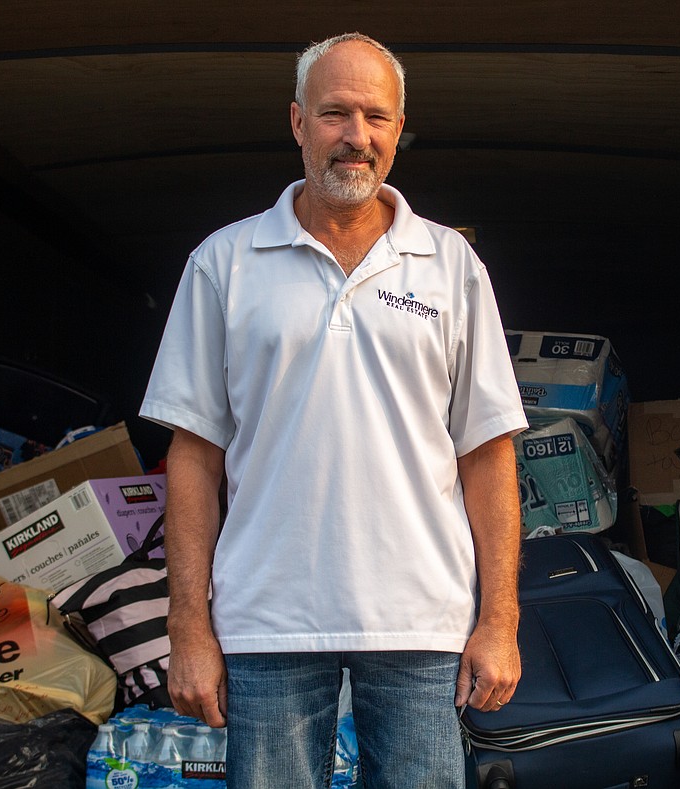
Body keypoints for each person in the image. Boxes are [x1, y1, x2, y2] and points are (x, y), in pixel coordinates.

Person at [139, 32, 529, 789]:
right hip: (266, 623)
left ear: (398, 129)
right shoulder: (223, 263)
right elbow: (193, 455)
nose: (358, 137)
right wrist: (187, 623)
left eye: (377, 117)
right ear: (296, 123)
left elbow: (487, 451)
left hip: (420, 621)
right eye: (335, 114)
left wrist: (500, 618)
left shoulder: (450, 264)